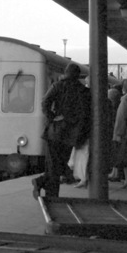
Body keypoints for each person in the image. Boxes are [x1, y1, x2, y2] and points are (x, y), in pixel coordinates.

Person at [32, 63, 91, 199]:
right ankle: (44, 187)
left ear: (65, 72)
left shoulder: (57, 86)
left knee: (53, 166)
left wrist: (52, 117)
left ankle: (48, 191)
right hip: (72, 135)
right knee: (60, 166)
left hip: (55, 131)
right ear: (78, 75)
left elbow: (45, 102)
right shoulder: (83, 91)